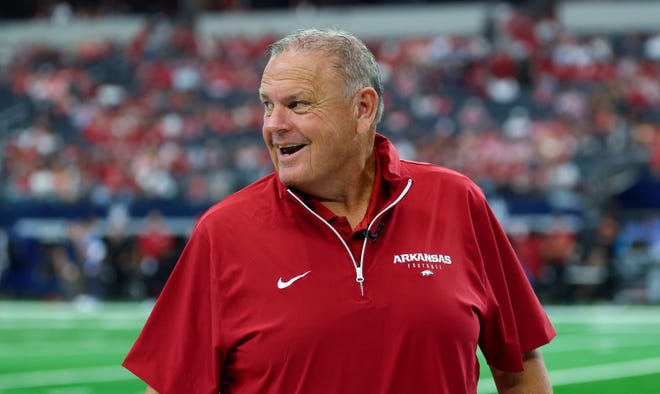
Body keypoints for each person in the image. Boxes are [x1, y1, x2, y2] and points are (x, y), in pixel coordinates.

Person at [123, 28, 556, 394]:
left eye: (297, 104)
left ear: (362, 109)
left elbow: (519, 367)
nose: (274, 124)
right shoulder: (223, 231)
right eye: (266, 104)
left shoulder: (458, 200)